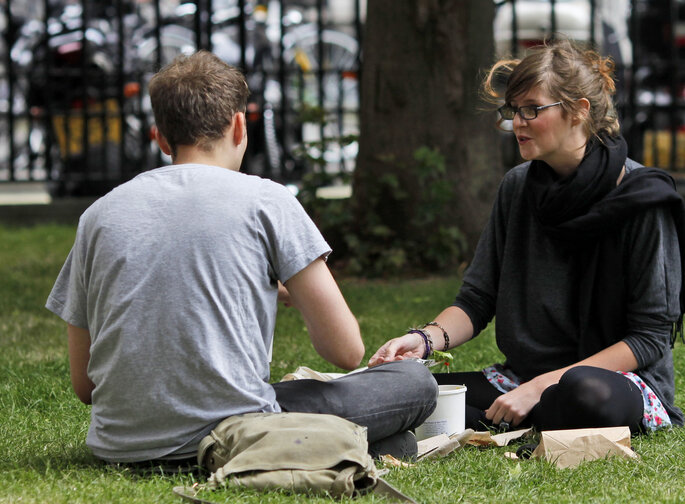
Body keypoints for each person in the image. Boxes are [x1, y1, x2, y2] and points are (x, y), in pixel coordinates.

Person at [46, 50, 436, 465]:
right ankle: (338, 446)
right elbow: (346, 351)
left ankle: (358, 447)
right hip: (238, 432)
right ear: (238, 125)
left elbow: (86, 385)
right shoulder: (266, 199)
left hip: (122, 446)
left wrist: (275, 290)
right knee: (414, 382)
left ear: (159, 137)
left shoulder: (100, 214)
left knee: (391, 438)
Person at [369, 39, 685, 435]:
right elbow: (476, 300)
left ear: (578, 111)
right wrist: (424, 340)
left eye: (532, 109)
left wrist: (544, 385)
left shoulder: (642, 198)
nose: (518, 123)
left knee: (583, 393)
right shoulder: (517, 187)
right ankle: (510, 419)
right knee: (397, 391)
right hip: (520, 381)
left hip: (613, 384)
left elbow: (648, 339)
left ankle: (498, 419)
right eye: (513, 111)